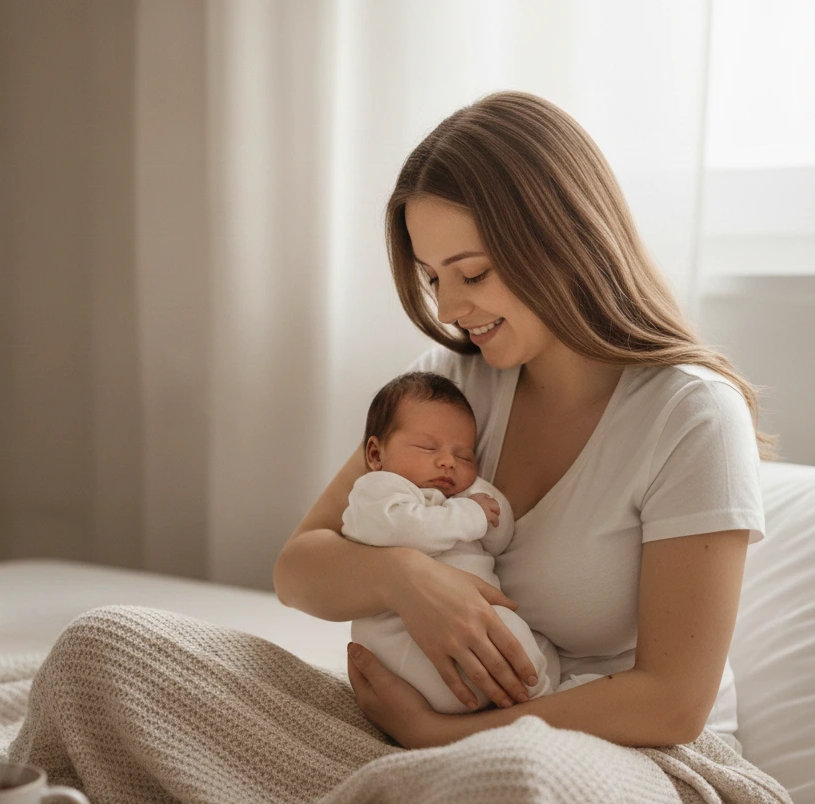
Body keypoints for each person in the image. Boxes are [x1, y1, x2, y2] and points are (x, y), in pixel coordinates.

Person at [273, 90, 769, 756]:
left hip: (634, 754)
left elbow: (672, 705)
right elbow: (297, 568)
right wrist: (406, 580)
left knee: (514, 790)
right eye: (431, 280)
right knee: (119, 655)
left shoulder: (692, 417)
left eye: (471, 273)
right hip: (447, 735)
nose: (449, 309)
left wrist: (438, 736)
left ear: (560, 238)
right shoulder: (453, 385)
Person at [342, 369, 564, 713]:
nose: (447, 461)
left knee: (542, 646)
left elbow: (498, 541)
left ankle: (541, 696)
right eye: (427, 447)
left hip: (469, 639)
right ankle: (543, 702)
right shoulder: (380, 490)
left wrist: (485, 503)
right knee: (513, 641)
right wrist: (471, 515)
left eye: (464, 456)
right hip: (405, 644)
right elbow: (402, 529)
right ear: (375, 454)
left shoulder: (459, 499)